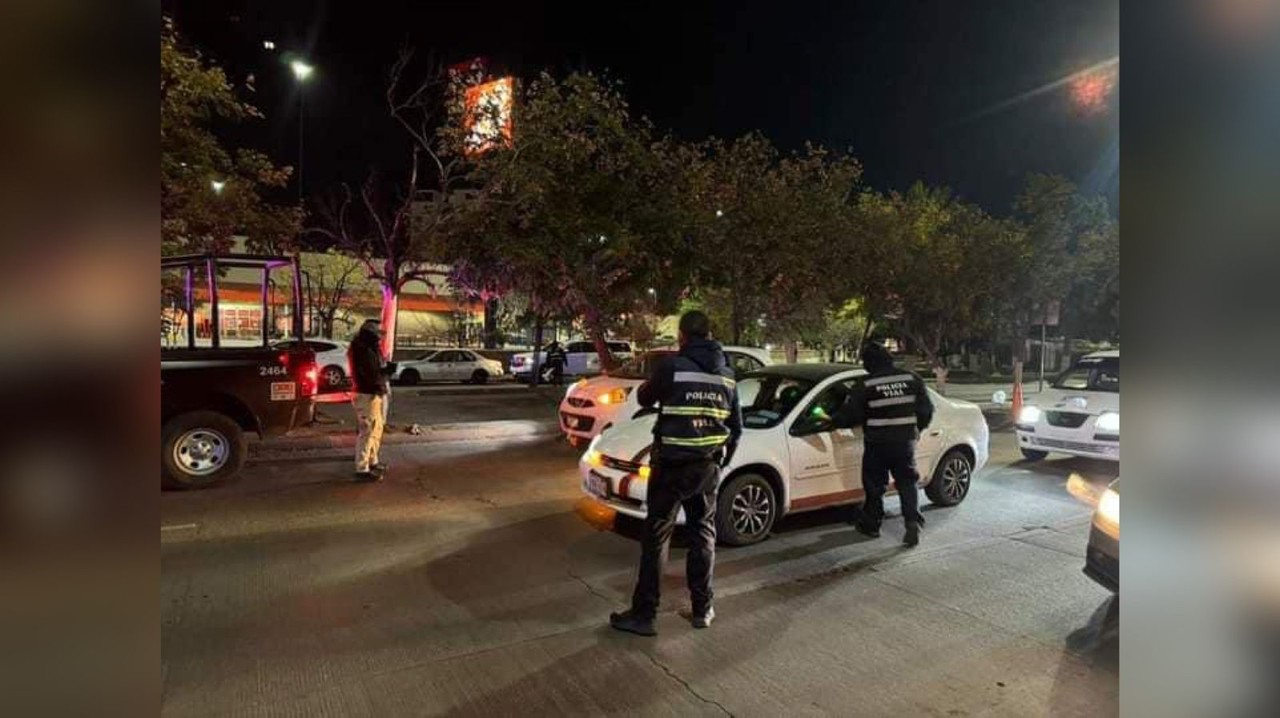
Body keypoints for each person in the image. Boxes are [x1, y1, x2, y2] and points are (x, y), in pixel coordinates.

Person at [610, 311, 742, 636]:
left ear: (682, 337)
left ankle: (644, 615)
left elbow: (643, 397)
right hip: (707, 467)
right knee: (703, 536)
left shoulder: (672, 367)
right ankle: (703, 608)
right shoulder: (727, 376)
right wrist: (721, 463)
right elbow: (736, 429)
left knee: (656, 538)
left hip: (671, 467)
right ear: (710, 334)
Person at [829, 341, 934, 546]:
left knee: (875, 485)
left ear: (868, 363)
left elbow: (851, 415)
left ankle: (872, 525)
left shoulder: (866, 384)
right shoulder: (911, 379)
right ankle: (912, 521)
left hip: (877, 443)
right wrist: (917, 429)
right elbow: (926, 411)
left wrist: (833, 421)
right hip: (904, 443)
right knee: (907, 482)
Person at [347, 319, 394, 482]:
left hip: (370, 393)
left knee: (375, 428)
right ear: (371, 334)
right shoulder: (364, 349)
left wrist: (384, 373)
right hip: (367, 394)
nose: (380, 338)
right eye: (378, 334)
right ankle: (362, 468)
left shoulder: (366, 347)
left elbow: (372, 372)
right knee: (368, 430)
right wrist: (385, 373)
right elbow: (370, 374)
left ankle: (371, 461)